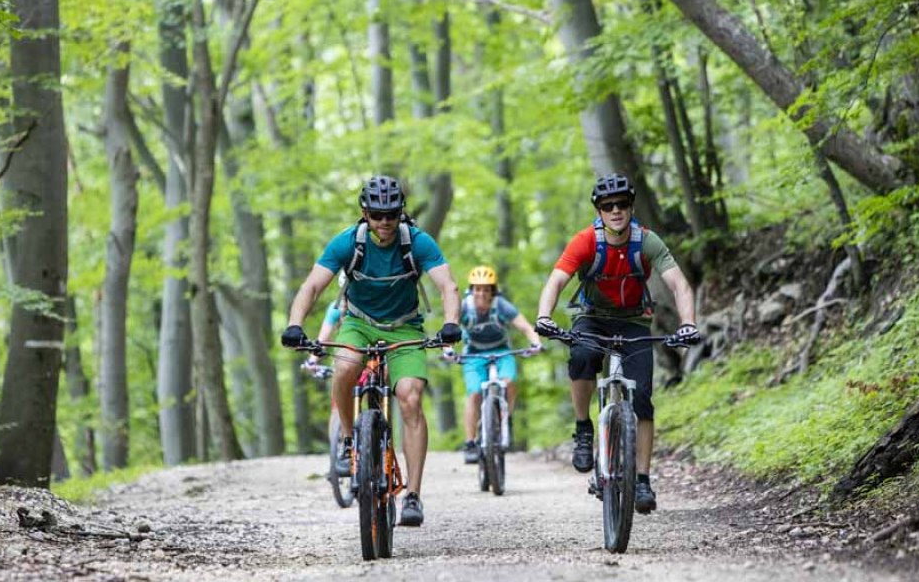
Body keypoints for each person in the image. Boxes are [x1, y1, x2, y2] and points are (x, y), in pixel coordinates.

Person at [282, 175, 461, 527]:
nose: (384, 222)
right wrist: (294, 324)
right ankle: (350, 441)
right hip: (359, 323)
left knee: (410, 396)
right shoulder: (348, 243)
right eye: (377, 215)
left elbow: (448, 285)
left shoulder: (418, 242)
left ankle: (413, 495)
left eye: (391, 215)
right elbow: (313, 285)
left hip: (405, 326)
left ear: (400, 213)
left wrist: (451, 322)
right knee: (347, 365)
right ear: (365, 213)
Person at [534, 174, 699, 515]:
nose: (616, 211)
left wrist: (688, 324)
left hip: (635, 321)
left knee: (642, 399)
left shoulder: (647, 241)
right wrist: (544, 317)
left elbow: (680, 285)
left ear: (631, 207)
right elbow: (557, 280)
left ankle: (641, 479)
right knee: (581, 356)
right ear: (599, 210)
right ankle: (583, 428)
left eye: (622, 204)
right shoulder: (585, 241)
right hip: (592, 318)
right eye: (608, 206)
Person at [447, 265, 542, 464]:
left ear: (493, 291)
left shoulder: (501, 306)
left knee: (509, 383)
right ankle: (470, 442)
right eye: (478, 289)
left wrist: (535, 341)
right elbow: (451, 327)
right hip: (473, 355)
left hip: (502, 352)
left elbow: (524, 326)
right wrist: (448, 348)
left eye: (486, 289)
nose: (482, 293)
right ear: (471, 290)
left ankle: (503, 416)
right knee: (473, 394)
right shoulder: (464, 307)